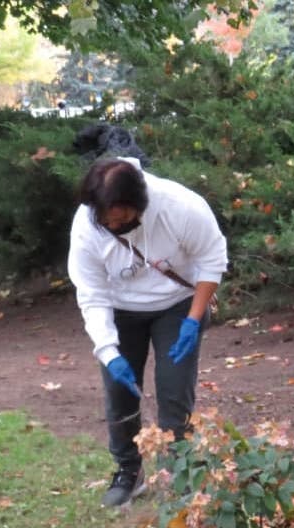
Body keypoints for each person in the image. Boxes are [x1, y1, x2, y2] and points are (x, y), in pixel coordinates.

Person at [67, 157, 227, 507]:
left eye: (122, 220)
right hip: (121, 308)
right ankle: (129, 471)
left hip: (177, 306)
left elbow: (213, 259)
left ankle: (181, 474)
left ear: (140, 206)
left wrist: (193, 319)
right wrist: (108, 351)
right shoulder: (86, 225)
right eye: (107, 221)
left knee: (174, 394)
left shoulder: (180, 207)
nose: (113, 225)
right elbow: (91, 293)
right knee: (120, 395)